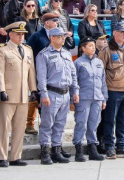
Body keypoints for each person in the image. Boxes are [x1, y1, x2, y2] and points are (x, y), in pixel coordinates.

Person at [0, 21, 36, 168]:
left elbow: (31, 72)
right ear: (10, 34)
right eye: (18, 34)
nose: (21, 37)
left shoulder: (27, 49)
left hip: (23, 94)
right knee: (4, 127)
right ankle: (2, 157)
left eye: (23, 34)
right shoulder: (2, 50)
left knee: (19, 127)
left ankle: (16, 156)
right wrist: (1, 90)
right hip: (9, 94)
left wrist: (34, 89)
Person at [36, 27, 79, 165]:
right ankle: (45, 151)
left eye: (64, 36)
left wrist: (75, 92)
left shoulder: (66, 54)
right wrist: (43, 94)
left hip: (65, 93)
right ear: (52, 38)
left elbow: (73, 75)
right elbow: (41, 77)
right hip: (52, 93)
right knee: (47, 124)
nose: (63, 39)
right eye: (60, 36)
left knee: (60, 124)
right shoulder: (44, 55)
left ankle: (56, 150)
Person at [99, 22, 124, 159]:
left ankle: (121, 145)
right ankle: (110, 146)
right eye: (122, 32)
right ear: (114, 32)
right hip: (113, 90)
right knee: (110, 120)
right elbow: (101, 73)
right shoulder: (106, 50)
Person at [73, 36, 107, 162]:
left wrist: (104, 98)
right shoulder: (78, 62)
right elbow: (74, 81)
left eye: (94, 45)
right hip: (83, 97)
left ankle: (93, 149)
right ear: (83, 48)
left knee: (94, 124)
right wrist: (74, 97)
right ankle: (78, 149)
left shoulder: (99, 62)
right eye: (90, 46)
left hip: (97, 97)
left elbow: (103, 81)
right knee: (81, 123)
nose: (93, 48)